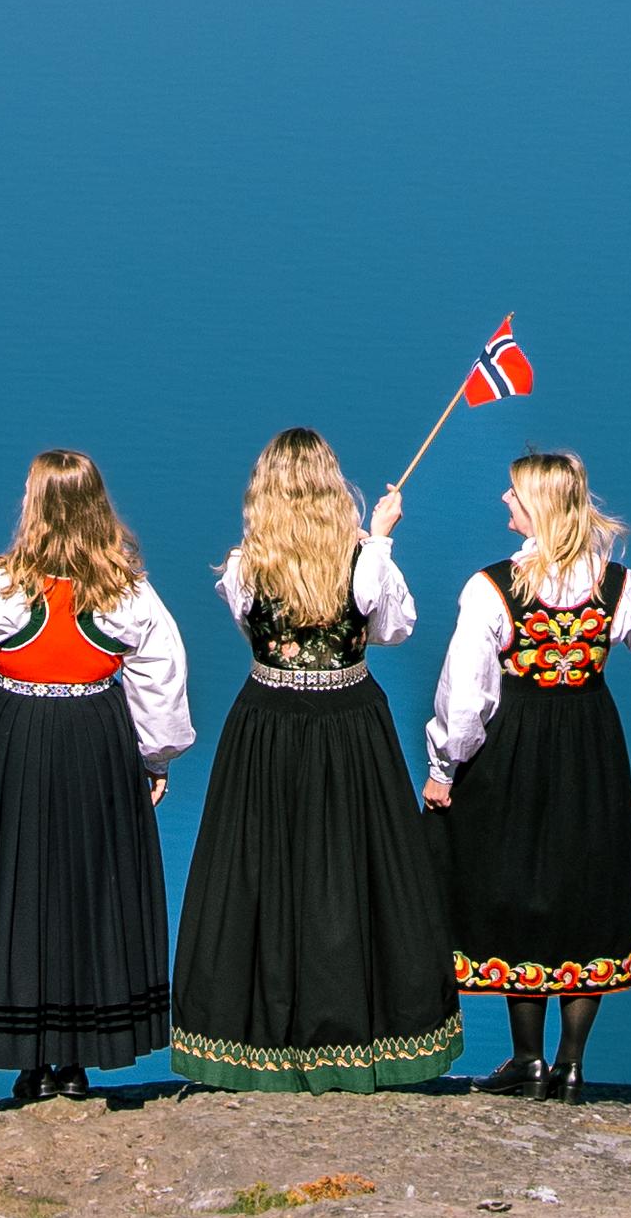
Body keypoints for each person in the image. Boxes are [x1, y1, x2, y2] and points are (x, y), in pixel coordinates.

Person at [169, 423, 460, 1092]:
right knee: (352, 874)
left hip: (265, 724)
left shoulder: (244, 566)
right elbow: (391, 628)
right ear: (335, 491)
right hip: (349, 723)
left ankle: (260, 1039)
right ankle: (354, 1035)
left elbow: (251, 625)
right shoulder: (365, 564)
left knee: (262, 872)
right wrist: (380, 539)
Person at [422, 445, 631, 1098]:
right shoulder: (617, 585)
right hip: (591, 750)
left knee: (518, 887)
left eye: (514, 493)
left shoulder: (492, 586)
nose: (504, 500)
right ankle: (572, 1063)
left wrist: (445, 767)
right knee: (587, 890)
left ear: (538, 508)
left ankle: (526, 1062)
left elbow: (465, 698)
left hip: (516, 749)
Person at [0, 444, 192, 1099]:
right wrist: (154, 757)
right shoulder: (129, 594)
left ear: (32, 508)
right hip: (96, 742)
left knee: (20, 886)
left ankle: (29, 1060)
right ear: (98, 510)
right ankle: (76, 1060)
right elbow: (163, 684)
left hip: (18, 744)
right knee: (89, 888)